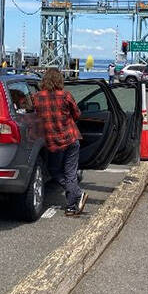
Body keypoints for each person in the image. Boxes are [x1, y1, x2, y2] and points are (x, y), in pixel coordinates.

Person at [32, 68, 88, 216]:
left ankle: (74, 201)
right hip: (70, 138)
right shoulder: (65, 95)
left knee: (54, 171)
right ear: (59, 80)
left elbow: (31, 114)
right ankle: (73, 202)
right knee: (70, 173)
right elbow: (77, 114)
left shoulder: (36, 97)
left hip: (53, 143)